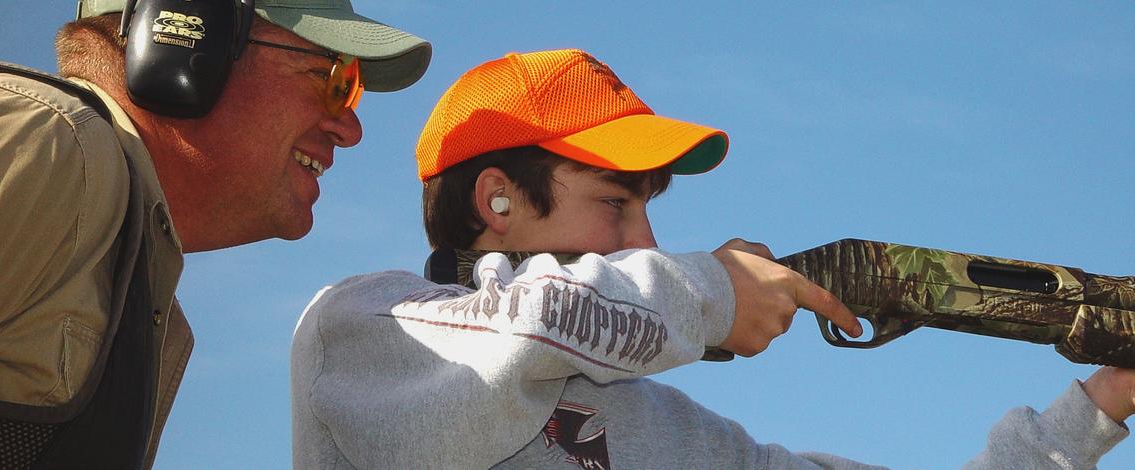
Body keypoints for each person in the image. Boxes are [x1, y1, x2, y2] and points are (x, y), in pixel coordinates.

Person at [291, 49, 1132, 469]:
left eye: (650, 209)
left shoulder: (672, 434)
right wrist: (714, 293)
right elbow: (536, 321)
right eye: (615, 204)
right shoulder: (369, 333)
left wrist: (1092, 410)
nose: (646, 241)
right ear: (497, 201)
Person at [0, 0, 429, 468]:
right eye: (331, 78)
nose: (351, 128)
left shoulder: (129, 267)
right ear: (183, 37)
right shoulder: (49, 150)